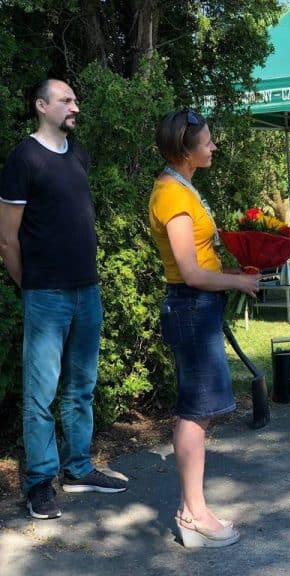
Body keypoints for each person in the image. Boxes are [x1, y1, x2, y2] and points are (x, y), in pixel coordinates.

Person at [0, 79, 128, 520]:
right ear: (41, 106)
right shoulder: (24, 158)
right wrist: (30, 285)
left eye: (75, 99)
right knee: (40, 395)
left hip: (87, 290)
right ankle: (39, 483)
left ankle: (78, 469)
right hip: (46, 295)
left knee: (81, 389)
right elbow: (6, 238)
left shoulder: (78, 153)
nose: (76, 106)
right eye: (66, 100)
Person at [148, 109, 259, 548]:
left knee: (203, 409)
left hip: (198, 306)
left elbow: (198, 260)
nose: (213, 147)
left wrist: (230, 268)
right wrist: (238, 281)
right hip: (191, 307)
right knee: (196, 411)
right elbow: (190, 273)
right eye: (207, 141)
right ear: (185, 150)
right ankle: (193, 514)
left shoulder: (182, 188)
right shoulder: (172, 196)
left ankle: (192, 506)